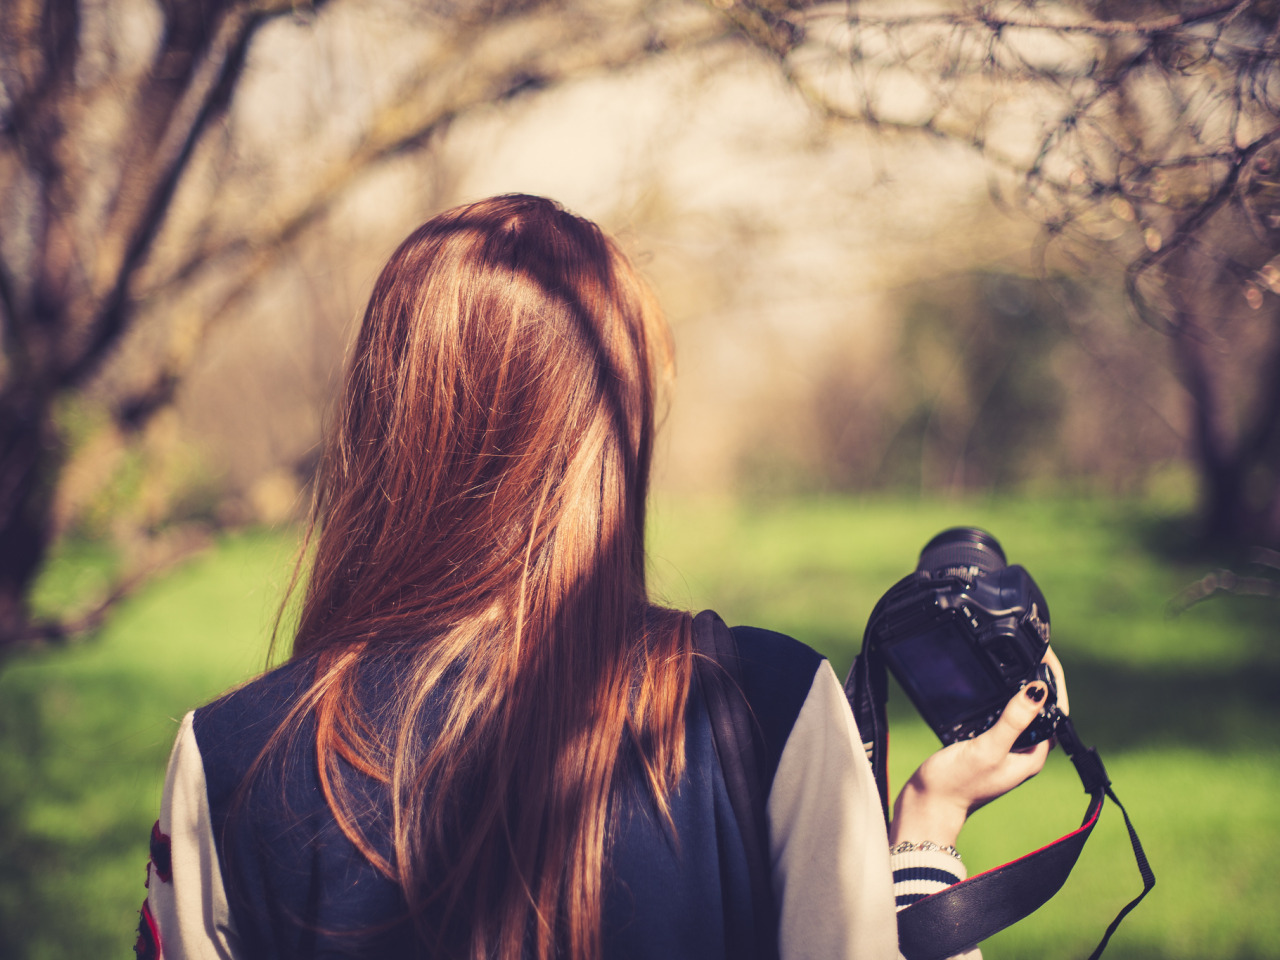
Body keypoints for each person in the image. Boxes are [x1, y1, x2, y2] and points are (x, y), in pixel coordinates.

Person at [136, 194, 1064, 960]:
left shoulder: (227, 757)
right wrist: (925, 846)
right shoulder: (766, 706)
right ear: (612, 435)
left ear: (388, 419)